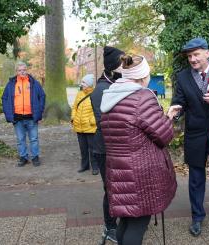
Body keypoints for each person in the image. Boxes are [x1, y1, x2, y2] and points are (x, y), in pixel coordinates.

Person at [100, 54, 177, 245]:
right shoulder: (142, 97)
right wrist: (169, 117)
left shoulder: (110, 94)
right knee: (139, 223)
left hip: (117, 169)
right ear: (143, 77)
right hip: (140, 173)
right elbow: (164, 136)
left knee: (126, 220)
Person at [167, 37, 209, 237]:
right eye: (189, 56)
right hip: (195, 135)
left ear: (207, 53)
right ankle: (197, 217)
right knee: (196, 179)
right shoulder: (182, 77)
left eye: (196, 54)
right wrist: (176, 110)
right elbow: (179, 101)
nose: (192, 59)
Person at [90, 46, 125, 244]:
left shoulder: (115, 83)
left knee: (117, 187)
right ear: (113, 67)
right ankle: (110, 226)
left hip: (114, 146)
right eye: (122, 63)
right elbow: (105, 123)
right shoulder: (102, 89)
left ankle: (118, 223)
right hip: (105, 149)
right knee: (110, 189)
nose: (126, 66)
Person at [2, 61, 45, 167]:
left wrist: (39, 111)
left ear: (27, 70)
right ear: (16, 71)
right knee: (20, 139)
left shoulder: (34, 83)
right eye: (20, 70)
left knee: (34, 139)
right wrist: (8, 115)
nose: (22, 72)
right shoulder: (11, 84)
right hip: (17, 118)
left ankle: (35, 157)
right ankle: (23, 157)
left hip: (31, 117)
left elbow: (42, 96)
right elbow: (5, 98)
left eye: (24, 70)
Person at [71, 74, 99, 175]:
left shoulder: (95, 94)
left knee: (93, 149)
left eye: (83, 82)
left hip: (90, 127)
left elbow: (98, 110)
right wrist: (73, 117)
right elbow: (74, 107)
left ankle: (95, 167)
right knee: (83, 148)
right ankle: (84, 166)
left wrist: (92, 120)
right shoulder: (79, 94)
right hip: (79, 126)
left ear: (89, 84)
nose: (81, 84)